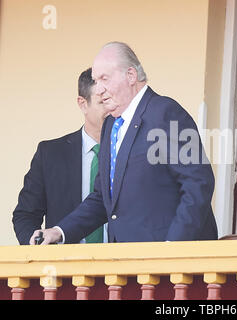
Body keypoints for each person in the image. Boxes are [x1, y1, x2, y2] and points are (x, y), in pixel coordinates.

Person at [29, 41, 218, 244]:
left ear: (130, 76)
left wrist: (172, 247)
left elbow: (198, 183)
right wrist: (59, 231)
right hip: (125, 264)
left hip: (166, 265)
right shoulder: (111, 124)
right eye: (95, 80)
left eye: (104, 78)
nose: (98, 89)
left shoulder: (165, 112)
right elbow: (103, 198)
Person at [12, 68, 108, 245]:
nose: (111, 109)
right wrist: (37, 250)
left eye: (114, 102)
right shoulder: (50, 154)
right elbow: (26, 214)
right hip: (63, 267)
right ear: (82, 104)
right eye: (103, 102)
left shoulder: (129, 153)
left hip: (123, 266)